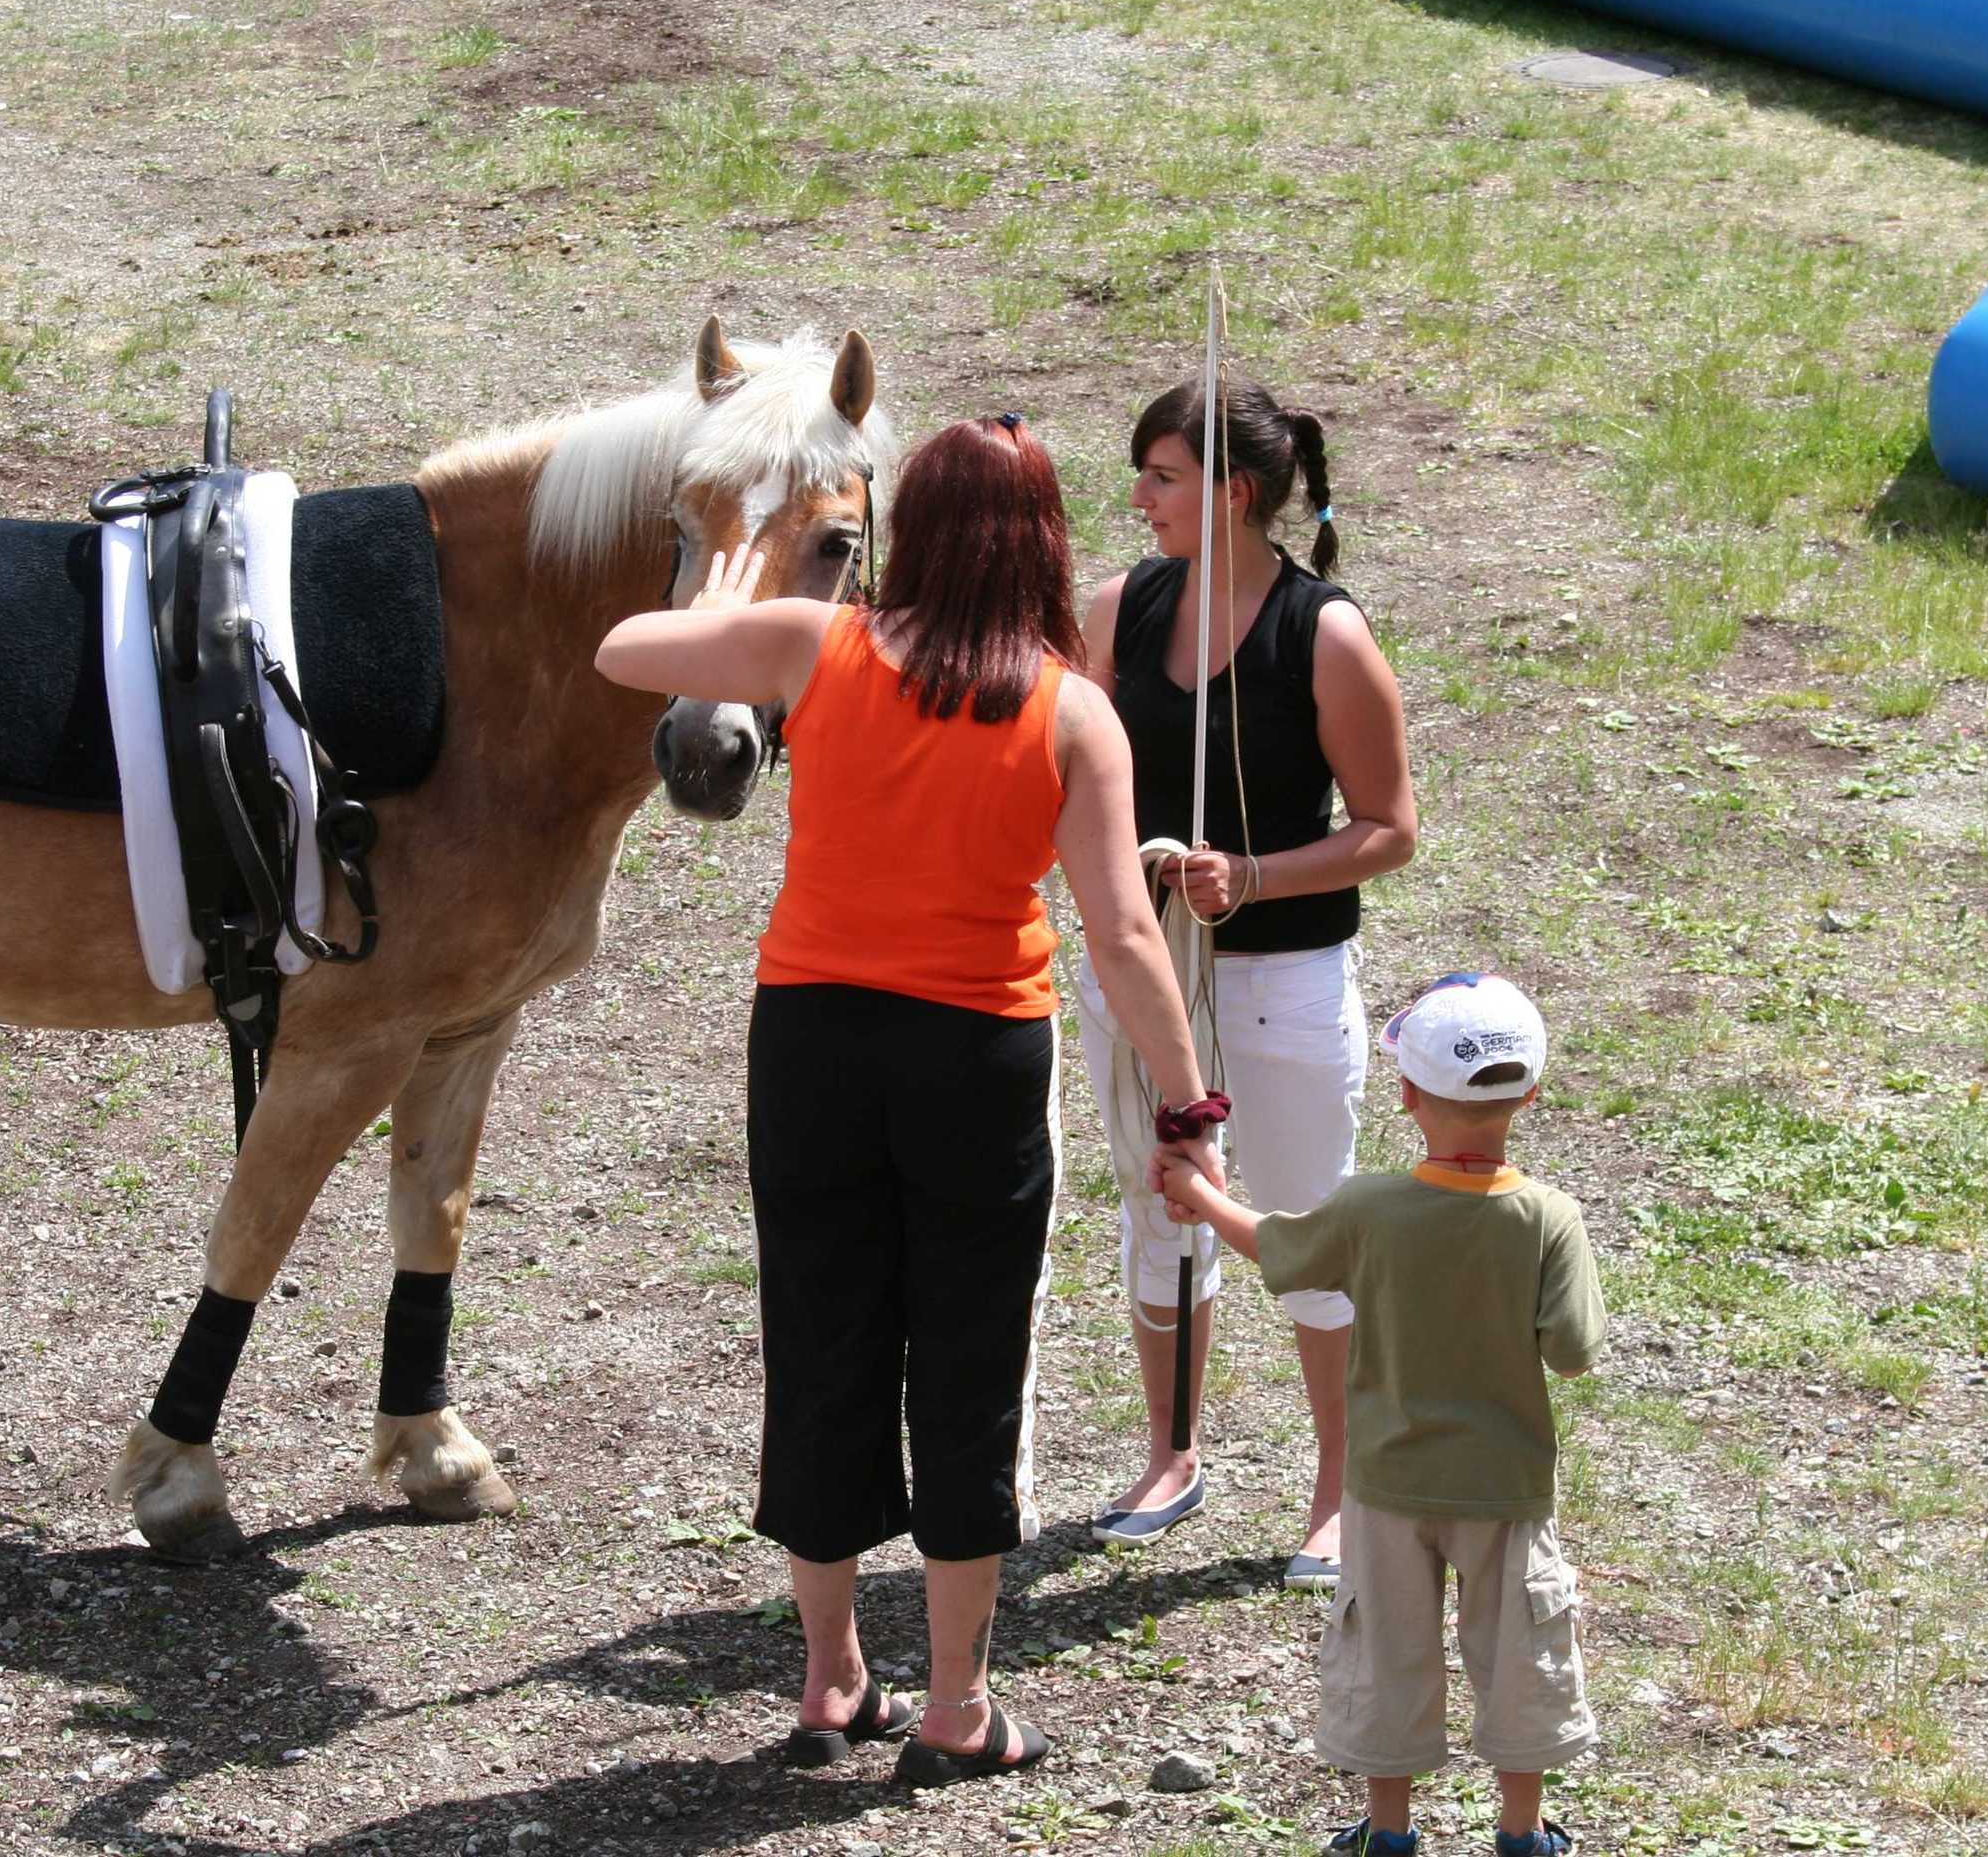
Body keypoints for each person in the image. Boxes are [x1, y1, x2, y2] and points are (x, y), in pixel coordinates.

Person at [594, 414, 1228, 1787]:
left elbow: (621, 654)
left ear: (906, 536)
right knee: (966, 1364)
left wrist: (745, 585)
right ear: (1043, 543)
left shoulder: (813, 650)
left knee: (821, 1338)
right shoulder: (1071, 711)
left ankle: (828, 1675)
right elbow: (1123, 936)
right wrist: (1186, 1108)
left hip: (811, 1038)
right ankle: (955, 1701)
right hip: (975, 1052)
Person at [1079, 378, 1418, 1587]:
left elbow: (1388, 827)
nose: (1137, 499)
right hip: (1144, 972)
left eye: (1161, 477)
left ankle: (1339, 1485)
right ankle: (1171, 1454)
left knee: (1301, 1214)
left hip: (1283, 978)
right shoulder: (1119, 607)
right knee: (1160, 1199)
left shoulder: (1323, 632)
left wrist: (1255, 876)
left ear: (1231, 494)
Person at [1153, 971, 1601, 1857]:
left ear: (1405, 1094)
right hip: (1506, 1489)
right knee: (1518, 1654)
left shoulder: (1369, 1210)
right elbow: (1573, 1350)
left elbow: (1277, 1247)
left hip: (1389, 1485)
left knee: (1388, 1653)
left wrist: (1200, 1194)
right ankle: (1522, 1831)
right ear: (1534, 1093)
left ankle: (1389, 1834)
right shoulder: (1550, 1217)